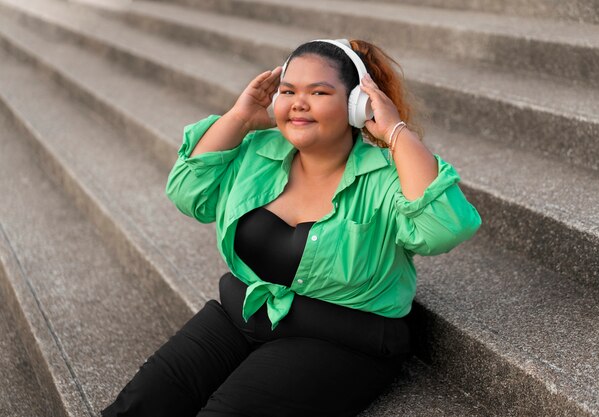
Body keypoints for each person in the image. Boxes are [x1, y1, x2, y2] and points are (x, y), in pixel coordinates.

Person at [101, 39, 481, 417]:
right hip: (244, 314)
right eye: (288, 91)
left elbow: (442, 229)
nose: (299, 102)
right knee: (137, 406)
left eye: (318, 92)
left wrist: (395, 131)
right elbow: (187, 192)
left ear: (356, 105)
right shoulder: (257, 152)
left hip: (339, 340)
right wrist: (240, 117)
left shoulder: (386, 176)